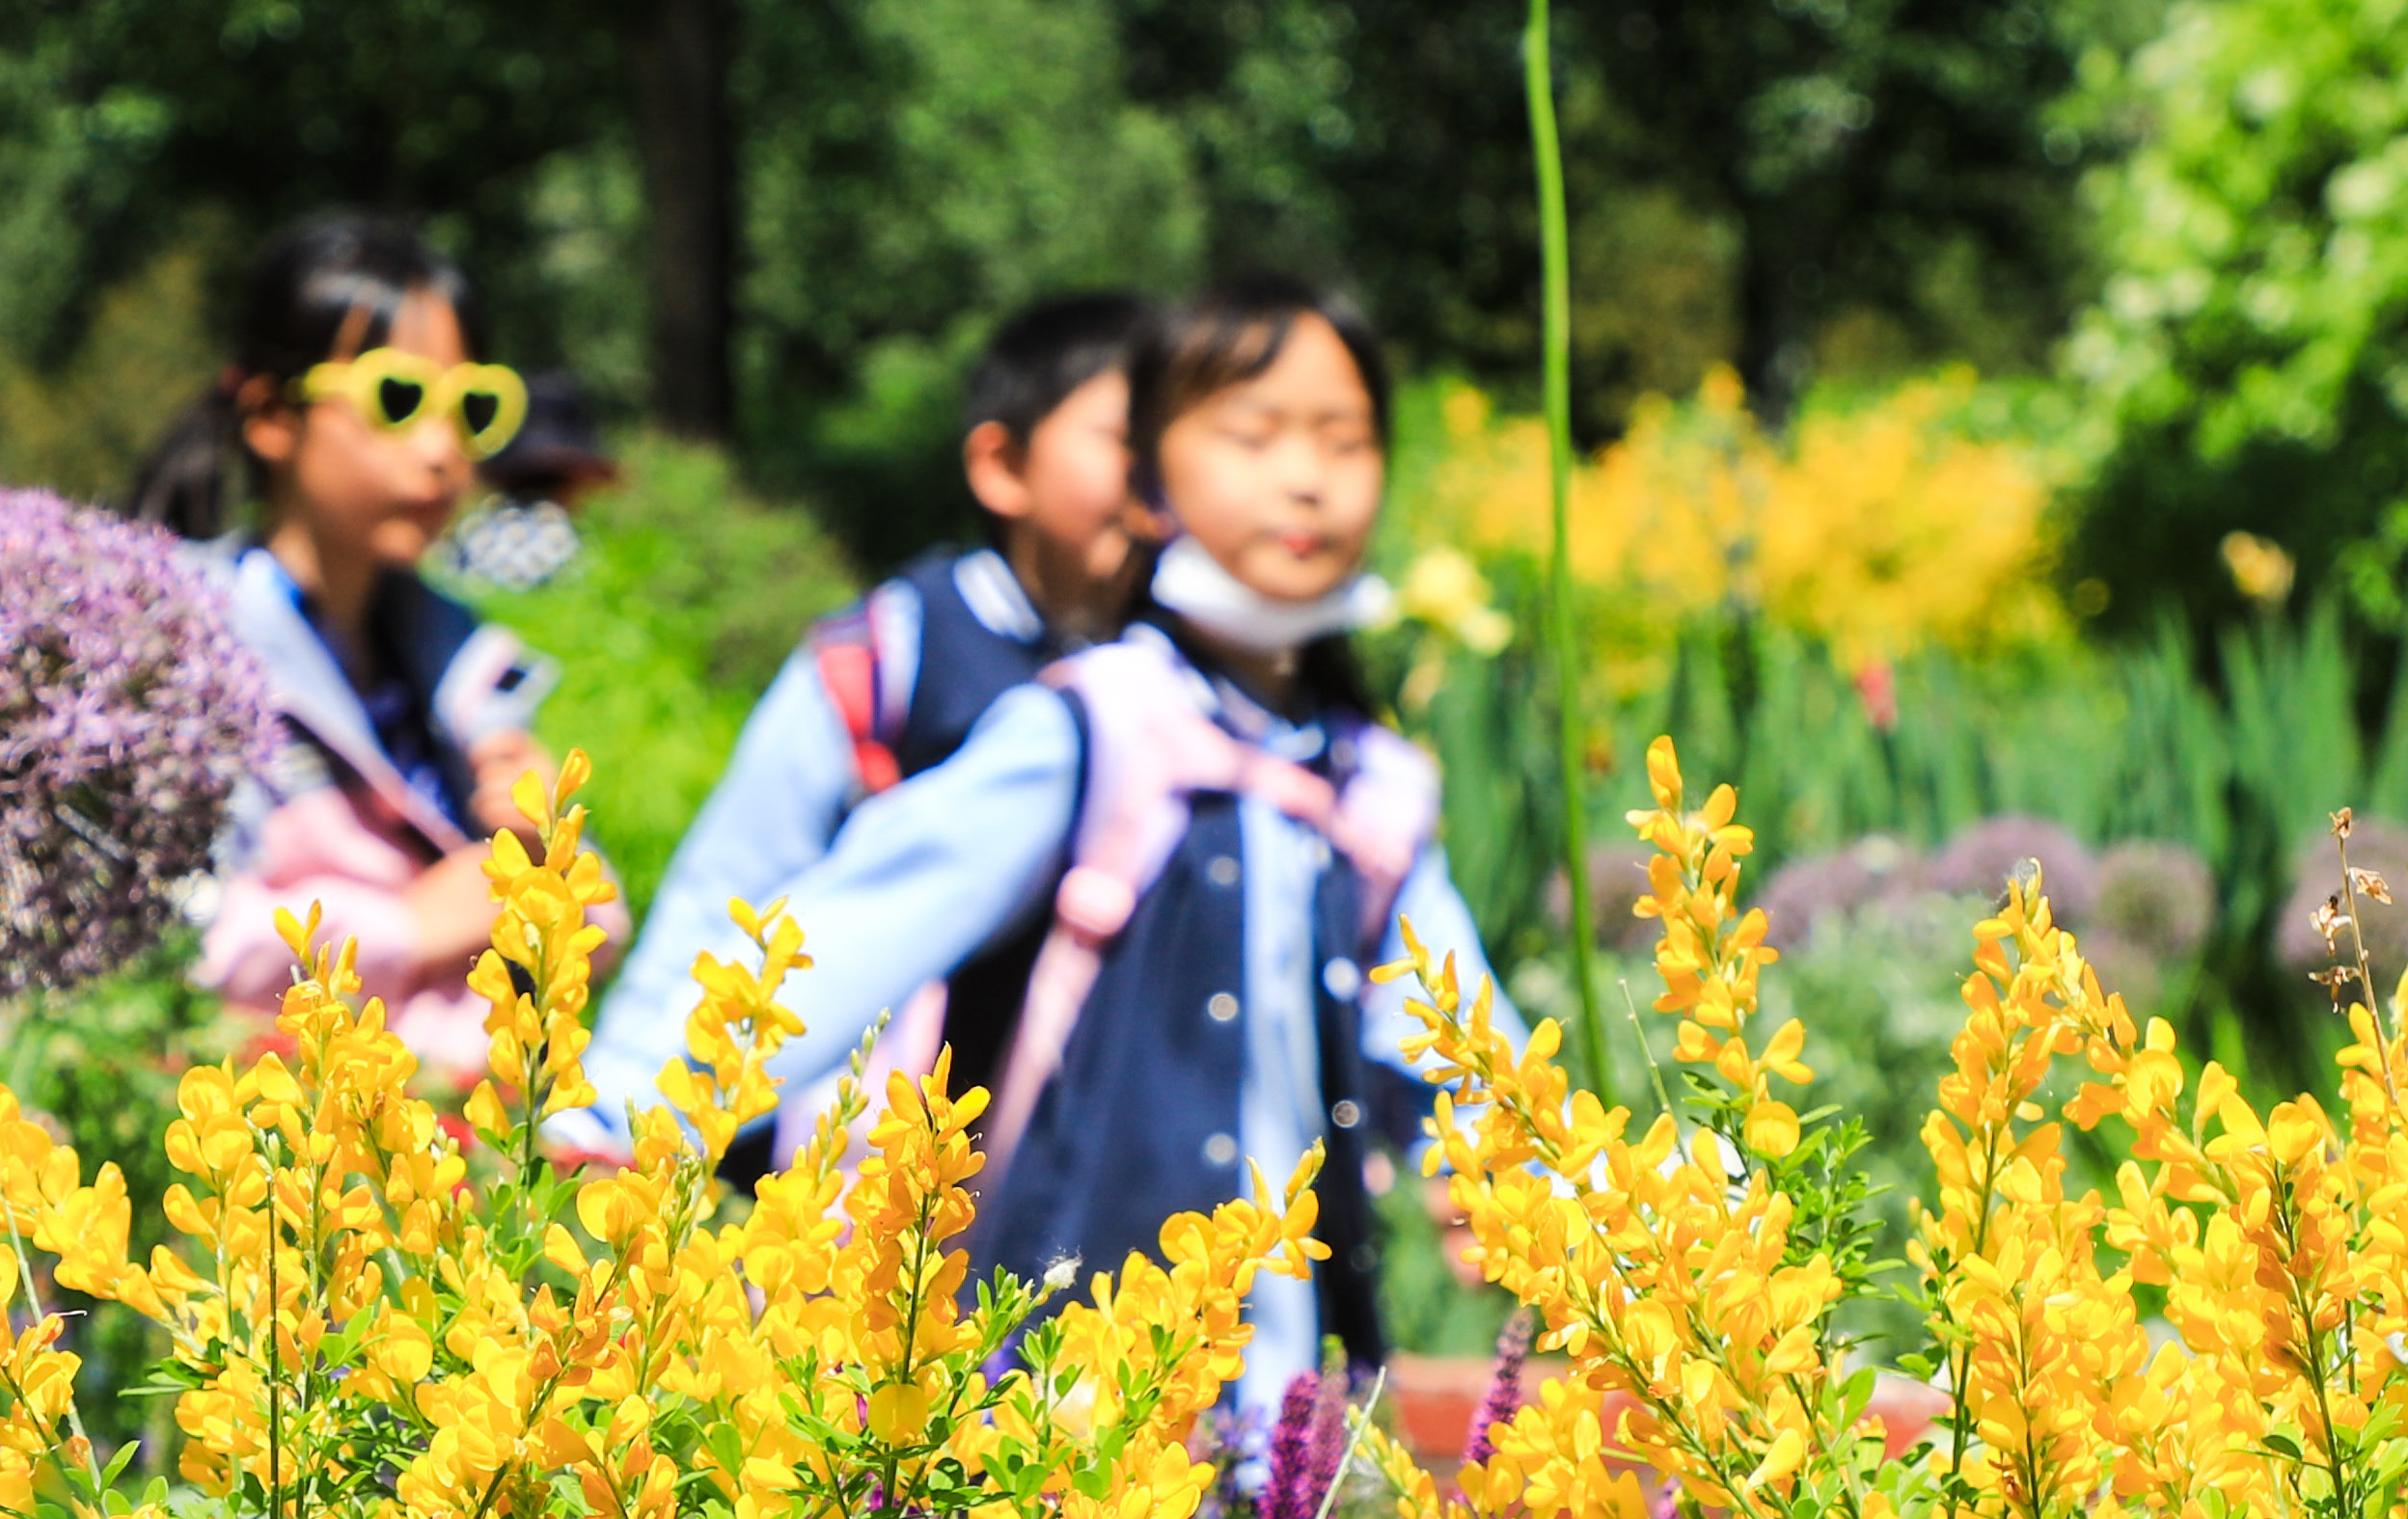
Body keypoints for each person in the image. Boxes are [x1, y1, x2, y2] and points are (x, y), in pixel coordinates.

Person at [577, 278, 1502, 1412]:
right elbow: (837, 936)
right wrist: (617, 1113)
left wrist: (1591, 1200)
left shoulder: (1374, 787)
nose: (1305, 476)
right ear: (1152, 482)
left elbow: (1478, 1053)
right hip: (1058, 1413)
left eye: (1345, 440)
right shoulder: (1092, 729)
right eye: (1253, 436)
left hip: (1284, 1406)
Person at [578, 287, 1150, 1157]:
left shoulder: (1181, 692)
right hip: (854, 1195)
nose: (1158, 478)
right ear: (1001, 466)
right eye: (1124, 441)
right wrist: (621, 1116)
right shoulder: (882, 658)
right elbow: (728, 893)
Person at [140, 213, 569, 1083]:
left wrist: (547, 850)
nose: (444, 450)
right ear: (268, 413)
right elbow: (172, 942)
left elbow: (600, 929)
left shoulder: (472, 670)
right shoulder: (180, 653)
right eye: (399, 398)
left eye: (475, 408)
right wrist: (414, 928)